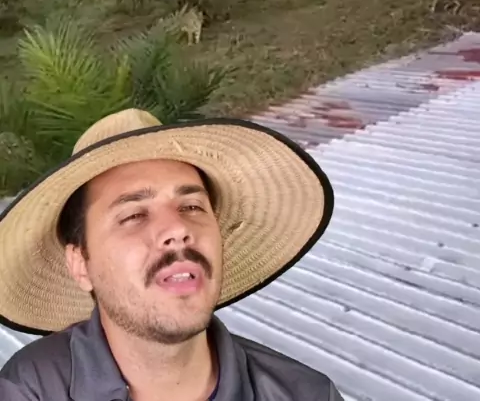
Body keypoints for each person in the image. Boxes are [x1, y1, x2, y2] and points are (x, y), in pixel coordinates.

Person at [0, 108, 344, 400]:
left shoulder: (305, 394)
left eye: (192, 206)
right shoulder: (30, 389)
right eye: (134, 215)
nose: (178, 229)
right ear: (80, 265)